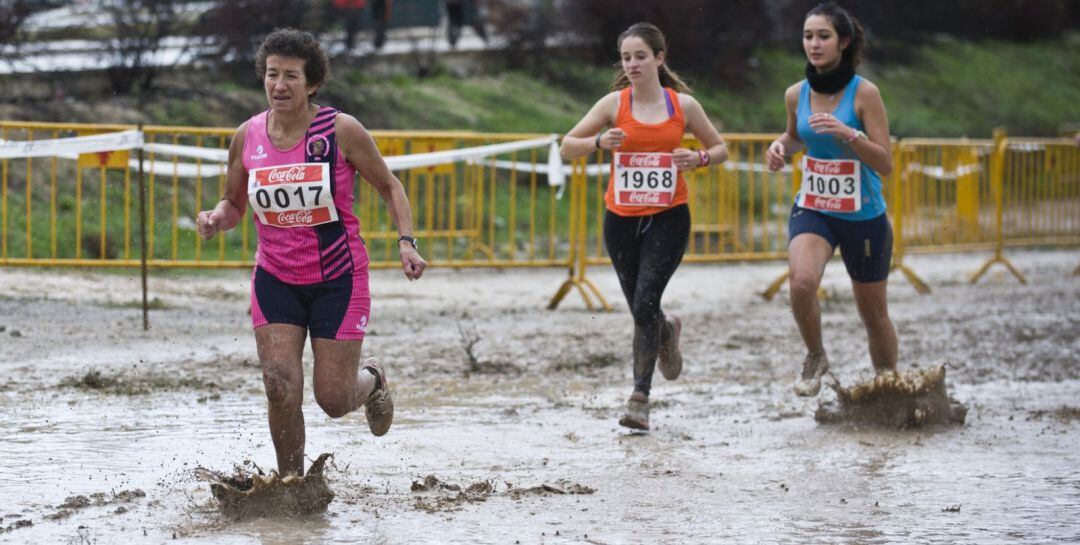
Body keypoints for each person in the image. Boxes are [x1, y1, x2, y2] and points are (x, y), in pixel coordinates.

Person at [195, 28, 427, 476]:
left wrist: (406, 242)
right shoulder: (247, 136)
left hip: (338, 279)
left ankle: (374, 379)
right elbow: (234, 203)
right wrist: (216, 218)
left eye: (291, 77)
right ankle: (291, 483)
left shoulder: (340, 129)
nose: (279, 85)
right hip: (276, 278)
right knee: (279, 385)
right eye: (272, 74)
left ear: (313, 82)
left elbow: (389, 186)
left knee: (333, 400)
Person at [559, 22, 728, 431]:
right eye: (626, 57)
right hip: (620, 220)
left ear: (658, 58)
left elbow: (720, 147)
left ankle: (639, 398)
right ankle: (668, 331)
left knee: (646, 301)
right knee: (642, 309)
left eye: (640, 56)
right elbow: (566, 148)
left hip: (669, 217)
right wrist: (599, 143)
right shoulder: (612, 105)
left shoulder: (682, 106)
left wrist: (698, 159)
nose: (632, 64)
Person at [764, 2, 897, 397]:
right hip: (815, 207)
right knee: (802, 283)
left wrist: (848, 133)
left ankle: (889, 387)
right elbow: (794, 136)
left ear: (843, 42)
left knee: (873, 315)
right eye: (808, 36)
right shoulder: (795, 94)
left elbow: (885, 162)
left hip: (863, 214)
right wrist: (779, 146)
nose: (814, 44)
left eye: (823, 36)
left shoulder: (865, 94)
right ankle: (815, 354)